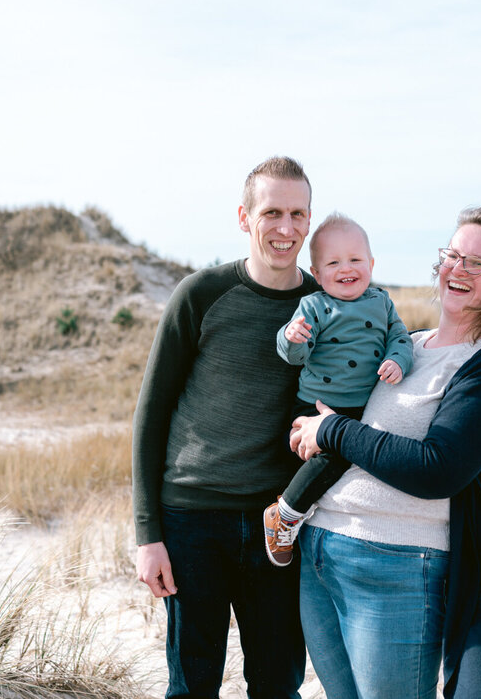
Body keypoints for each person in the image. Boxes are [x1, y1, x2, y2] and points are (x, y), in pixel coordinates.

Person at [290, 205, 481, 699]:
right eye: (453, 255)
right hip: (321, 551)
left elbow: (438, 470)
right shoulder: (405, 346)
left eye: (478, 263)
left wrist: (333, 432)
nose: (459, 268)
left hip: (396, 566)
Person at [132, 156, 317, 699]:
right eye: (272, 213)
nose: (286, 229)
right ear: (244, 217)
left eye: (298, 214)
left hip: (278, 525)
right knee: (191, 686)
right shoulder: (200, 295)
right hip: (192, 520)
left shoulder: (327, 306)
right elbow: (151, 412)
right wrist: (149, 535)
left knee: (279, 684)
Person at [263, 212, 414, 567]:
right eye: (333, 262)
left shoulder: (382, 302)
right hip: (315, 406)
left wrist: (398, 360)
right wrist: (292, 337)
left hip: (362, 408)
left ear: (371, 263)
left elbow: (400, 339)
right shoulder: (314, 306)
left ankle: (297, 513)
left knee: (342, 461)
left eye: (355, 259)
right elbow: (295, 355)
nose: (346, 268)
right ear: (317, 274)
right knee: (328, 458)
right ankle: (284, 513)